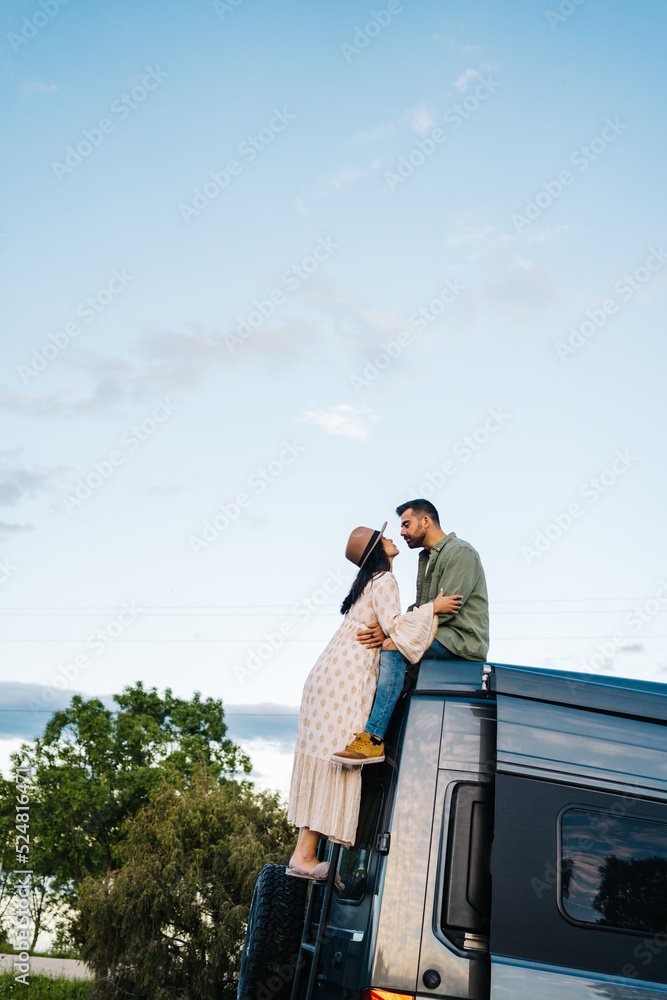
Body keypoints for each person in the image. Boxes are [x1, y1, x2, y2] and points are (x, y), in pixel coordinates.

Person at [286, 520, 460, 882]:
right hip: (345, 681)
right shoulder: (385, 580)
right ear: (378, 549)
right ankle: (304, 856)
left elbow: (386, 626)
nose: (393, 538)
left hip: (327, 679)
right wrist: (434, 607)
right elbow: (396, 626)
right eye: (385, 537)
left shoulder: (368, 583)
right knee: (338, 762)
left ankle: (303, 855)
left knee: (326, 761)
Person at [333, 499, 489, 766]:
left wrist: (393, 634)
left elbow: (446, 609)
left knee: (394, 647)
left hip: (458, 640)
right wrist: (392, 630)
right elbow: (420, 609)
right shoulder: (427, 558)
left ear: (425, 521)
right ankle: (387, 746)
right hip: (434, 635)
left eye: (406, 524)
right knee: (388, 666)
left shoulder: (460, 552)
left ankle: (373, 738)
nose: (402, 532)